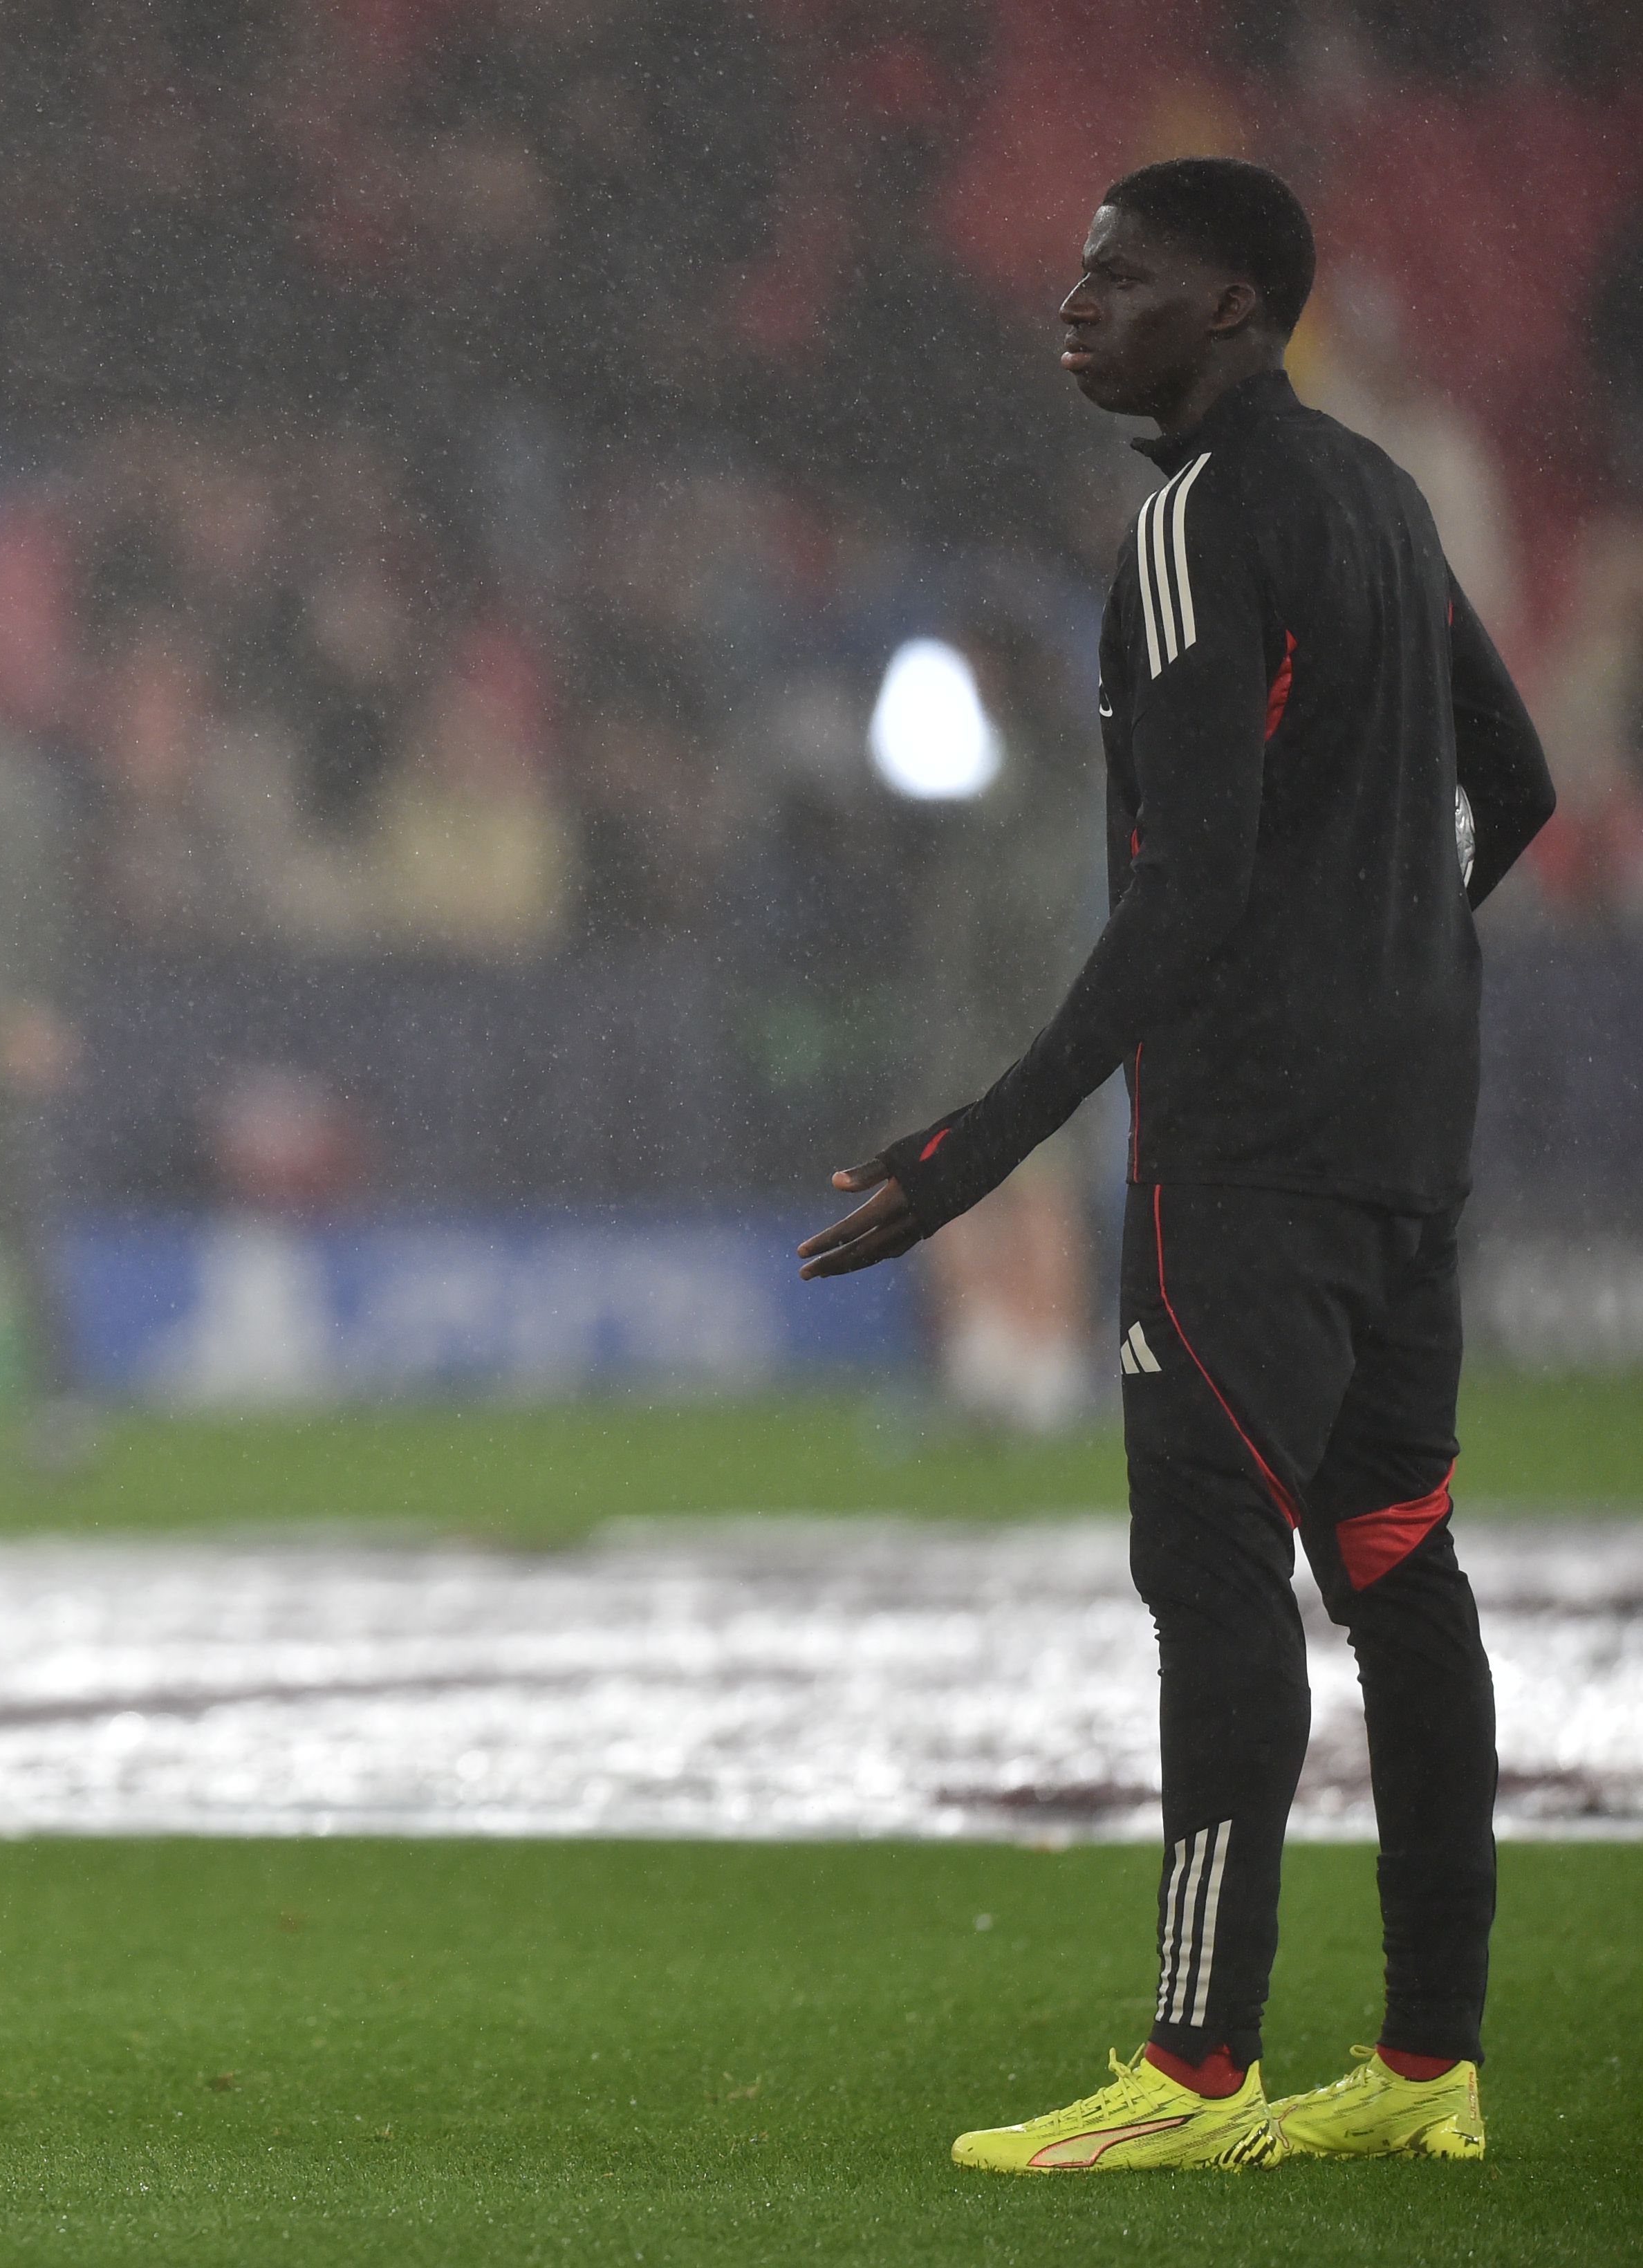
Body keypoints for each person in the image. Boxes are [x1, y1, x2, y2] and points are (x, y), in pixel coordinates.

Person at [799, 157, 1555, 2175]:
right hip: (1407, 1133)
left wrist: (975, 1148)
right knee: (1402, 1573)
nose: (1076, 300)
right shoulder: (1384, 497)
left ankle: (1196, 2073)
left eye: (1120, 276)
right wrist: (1399, 938)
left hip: (1248, 1145)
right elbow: (1523, 778)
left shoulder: (1194, 519)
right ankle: (1425, 2071)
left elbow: (1185, 890)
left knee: (1211, 1580)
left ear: (1232, 308)